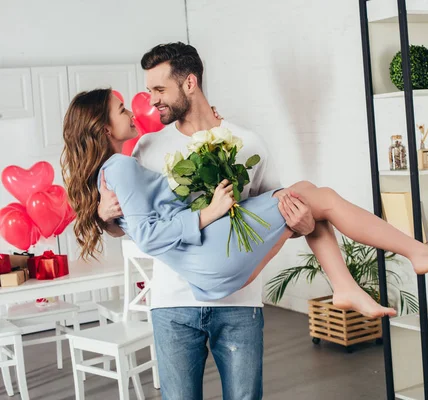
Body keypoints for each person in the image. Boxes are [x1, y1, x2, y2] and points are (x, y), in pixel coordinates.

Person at [62, 88, 428, 321]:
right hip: (209, 255)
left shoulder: (114, 170)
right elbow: (148, 236)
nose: (137, 108)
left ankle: (347, 287)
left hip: (207, 273)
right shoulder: (120, 166)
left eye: (156, 91)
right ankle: (415, 253)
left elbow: (135, 220)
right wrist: (209, 212)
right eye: (121, 109)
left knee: (306, 204)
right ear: (102, 127)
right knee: (314, 195)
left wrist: (104, 217)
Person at [92, 42, 315, 400]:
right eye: (150, 91)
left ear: (190, 83)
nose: (152, 101)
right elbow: (135, 227)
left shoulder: (249, 143)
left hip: (239, 303)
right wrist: (106, 218)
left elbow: (271, 221)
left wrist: (302, 226)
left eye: (160, 90)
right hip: (172, 306)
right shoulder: (145, 149)